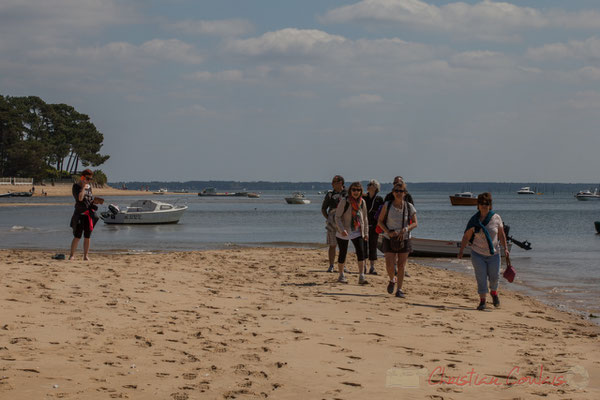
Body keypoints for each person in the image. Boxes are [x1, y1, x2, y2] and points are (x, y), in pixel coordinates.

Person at [458, 192, 509, 310]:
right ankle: (482, 301)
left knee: (494, 277)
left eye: (486, 203)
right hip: (477, 254)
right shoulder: (474, 220)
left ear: (490, 205)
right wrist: (461, 251)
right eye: (481, 203)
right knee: (481, 277)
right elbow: (466, 236)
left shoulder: (496, 218)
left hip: (494, 254)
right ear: (478, 205)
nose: (484, 205)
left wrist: (506, 248)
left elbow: (501, 235)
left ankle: (494, 293)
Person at [377, 182, 418, 298]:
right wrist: (388, 232)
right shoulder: (387, 205)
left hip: (404, 238)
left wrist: (405, 229)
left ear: (405, 193)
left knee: (401, 265)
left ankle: (399, 289)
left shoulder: (409, 206)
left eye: (401, 191)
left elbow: (415, 223)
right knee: (389, 264)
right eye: (396, 191)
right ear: (393, 192)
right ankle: (392, 279)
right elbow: (379, 221)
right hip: (389, 237)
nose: (399, 193)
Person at [335, 182, 369, 284]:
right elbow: (337, 217)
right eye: (354, 190)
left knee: (361, 252)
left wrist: (366, 232)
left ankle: (361, 276)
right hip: (344, 230)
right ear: (350, 191)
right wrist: (342, 230)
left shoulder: (362, 202)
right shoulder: (345, 201)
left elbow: (365, 218)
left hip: (357, 230)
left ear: (361, 191)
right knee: (343, 253)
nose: (356, 192)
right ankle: (341, 275)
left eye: (358, 190)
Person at [383, 176, 414, 277]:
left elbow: (412, 214)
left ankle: (402, 269)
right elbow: (384, 214)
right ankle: (394, 270)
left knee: (402, 254)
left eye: (399, 182)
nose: (397, 184)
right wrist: (387, 230)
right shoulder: (389, 197)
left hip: (404, 229)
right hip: (391, 230)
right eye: (395, 183)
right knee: (391, 255)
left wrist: (406, 228)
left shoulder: (408, 197)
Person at [69, 169, 103, 261]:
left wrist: (95, 202)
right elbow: (80, 198)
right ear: (82, 177)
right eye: (87, 179)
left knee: (87, 236)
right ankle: (72, 255)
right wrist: (83, 187)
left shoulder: (89, 187)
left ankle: (85, 255)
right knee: (77, 236)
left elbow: (89, 200)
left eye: (90, 179)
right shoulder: (76, 186)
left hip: (88, 214)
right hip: (80, 214)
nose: (89, 181)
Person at [321, 175, 347, 272]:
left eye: (334, 182)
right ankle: (331, 265)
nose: (332, 184)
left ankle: (343, 265)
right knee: (332, 244)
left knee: (343, 245)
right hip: (332, 220)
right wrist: (328, 218)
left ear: (340, 183)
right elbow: (323, 208)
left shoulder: (347, 193)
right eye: (332, 182)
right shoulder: (330, 194)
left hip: (344, 220)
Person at [363, 179, 384, 275]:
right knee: (363, 246)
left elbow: (383, 213)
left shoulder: (379, 199)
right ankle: (363, 266)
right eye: (368, 184)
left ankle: (372, 267)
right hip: (364, 225)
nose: (368, 186)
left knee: (373, 245)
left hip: (374, 225)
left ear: (375, 187)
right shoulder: (364, 198)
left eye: (370, 184)